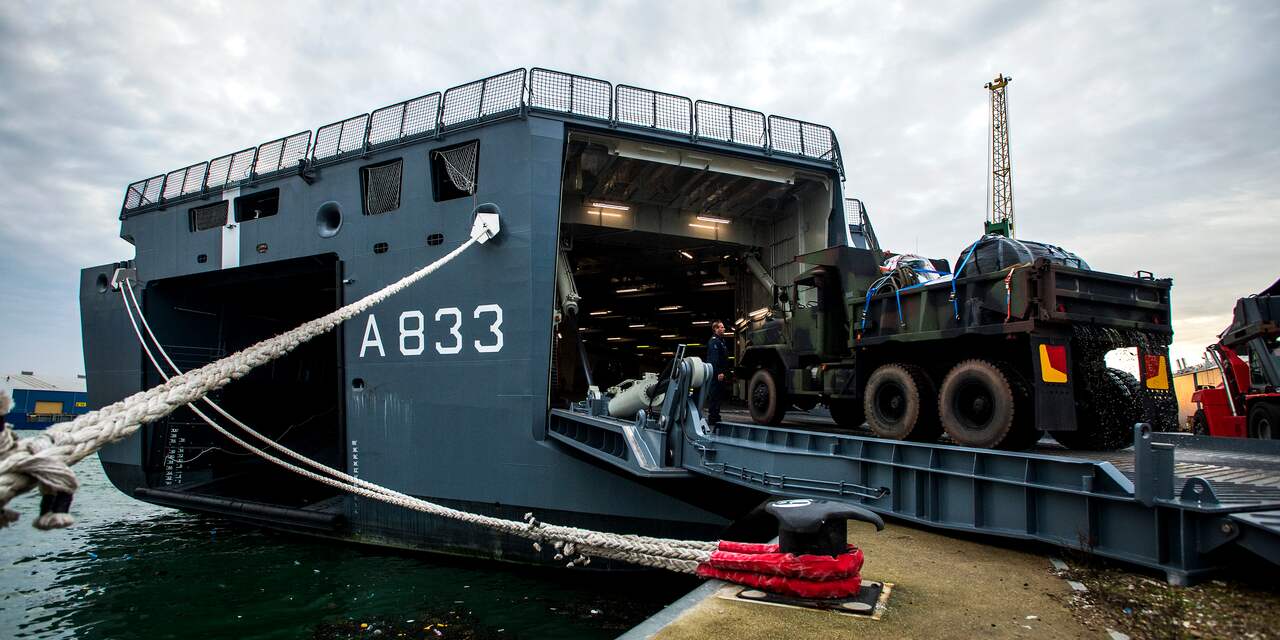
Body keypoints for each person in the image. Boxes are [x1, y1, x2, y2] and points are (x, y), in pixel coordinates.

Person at [705, 320, 730, 425]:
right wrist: (719, 372)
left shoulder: (721, 341)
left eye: (723, 327)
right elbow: (714, 359)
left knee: (719, 396)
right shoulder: (714, 341)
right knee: (714, 395)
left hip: (721, 373)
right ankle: (712, 418)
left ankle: (716, 415)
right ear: (715, 329)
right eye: (721, 327)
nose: (723, 329)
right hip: (716, 374)